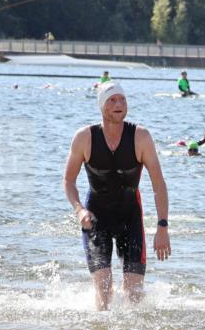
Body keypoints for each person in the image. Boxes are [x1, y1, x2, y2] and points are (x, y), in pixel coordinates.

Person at [63, 82, 171, 310]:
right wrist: (79, 209)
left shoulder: (140, 137)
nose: (119, 104)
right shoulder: (84, 138)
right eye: (112, 100)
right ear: (101, 105)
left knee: (133, 295)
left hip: (129, 219)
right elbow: (68, 181)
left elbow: (159, 184)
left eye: (122, 100)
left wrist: (162, 226)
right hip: (95, 219)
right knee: (103, 291)